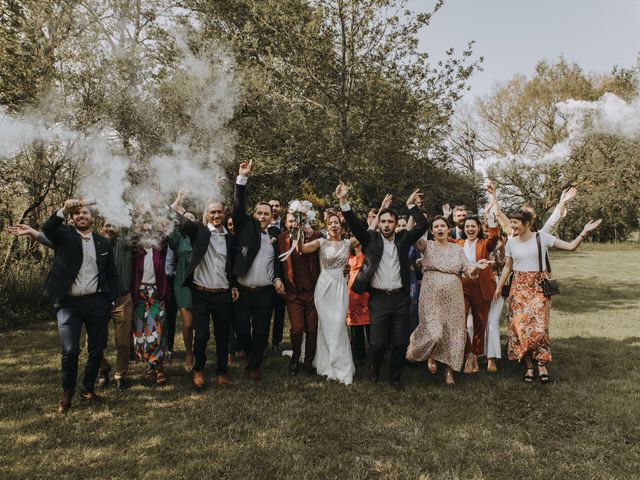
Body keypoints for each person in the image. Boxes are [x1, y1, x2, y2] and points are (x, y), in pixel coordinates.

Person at [494, 209, 601, 383]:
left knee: (539, 329)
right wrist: (499, 287)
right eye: (511, 222)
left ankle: (542, 363)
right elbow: (507, 267)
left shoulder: (541, 237)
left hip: (538, 288)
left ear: (527, 223)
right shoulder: (510, 243)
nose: (512, 225)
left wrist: (584, 232)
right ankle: (529, 365)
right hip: (518, 290)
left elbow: (571, 247)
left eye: (515, 222)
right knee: (520, 329)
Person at [339, 183, 427, 391]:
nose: (386, 225)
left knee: (399, 342)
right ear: (379, 224)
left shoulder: (404, 238)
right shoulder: (371, 239)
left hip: (400, 299)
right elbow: (353, 221)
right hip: (378, 299)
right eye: (383, 221)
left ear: (396, 224)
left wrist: (410, 206)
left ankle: (395, 377)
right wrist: (343, 200)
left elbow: (423, 225)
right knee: (377, 343)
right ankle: (375, 369)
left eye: (390, 222)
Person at [42, 199, 118, 413]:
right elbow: (47, 228)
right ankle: (67, 392)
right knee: (70, 350)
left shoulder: (104, 243)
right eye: (77, 214)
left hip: (97, 302)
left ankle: (87, 389)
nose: (81, 216)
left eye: (85, 213)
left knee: (97, 348)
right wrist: (64, 209)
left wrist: (110, 299)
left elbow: (111, 274)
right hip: (69, 304)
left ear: (92, 217)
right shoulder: (64, 235)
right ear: (72, 218)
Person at [406, 216, 492, 385]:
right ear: (432, 231)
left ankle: (449, 370)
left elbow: (467, 270)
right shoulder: (427, 246)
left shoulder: (457, 249)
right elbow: (410, 236)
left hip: (454, 295)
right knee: (435, 330)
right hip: (431, 294)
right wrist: (412, 212)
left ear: (448, 229)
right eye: (436, 227)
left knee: (453, 332)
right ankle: (431, 353)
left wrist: (476, 266)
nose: (439, 229)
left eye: (442, 226)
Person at [171, 194, 238, 389]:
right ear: (207, 215)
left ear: (223, 214)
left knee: (223, 335)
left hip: (223, 293)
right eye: (213, 212)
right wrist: (173, 206)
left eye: (219, 212)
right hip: (201, 293)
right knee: (201, 336)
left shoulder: (229, 237)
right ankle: (198, 369)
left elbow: (231, 264)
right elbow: (181, 223)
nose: (216, 215)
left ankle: (222, 370)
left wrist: (233, 285)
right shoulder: (199, 231)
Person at [232, 160, 285, 381]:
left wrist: (278, 278)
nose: (262, 216)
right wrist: (242, 178)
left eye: (267, 214)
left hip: (265, 293)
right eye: (259, 213)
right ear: (254, 215)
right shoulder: (246, 229)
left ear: (272, 217)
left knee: (262, 332)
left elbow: (280, 262)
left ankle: (254, 365)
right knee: (243, 331)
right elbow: (238, 207)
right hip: (243, 292)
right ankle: (251, 354)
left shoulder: (275, 237)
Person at [298, 211, 358, 385]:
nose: (333, 225)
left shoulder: (348, 243)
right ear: (326, 227)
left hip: (340, 288)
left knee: (338, 324)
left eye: (336, 223)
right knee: (325, 326)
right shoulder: (321, 242)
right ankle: (325, 363)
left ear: (341, 227)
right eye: (330, 223)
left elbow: (366, 232)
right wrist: (299, 229)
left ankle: (341, 365)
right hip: (324, 288)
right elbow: (301, 248)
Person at [451, 214, 499, 374]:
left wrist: (492, 218)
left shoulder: (485, 244)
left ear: (478, 228)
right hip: (462, 286)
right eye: (467, 227)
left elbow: (494, 236)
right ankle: (468, 353)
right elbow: (439, 240)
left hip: (480, 286)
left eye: (473, 226)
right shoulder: (458, 243)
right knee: (460, 322)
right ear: (463, 229)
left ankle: (475, 357)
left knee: (480, 323)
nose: (470, 229)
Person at [277, 213, 322, 375]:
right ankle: (295, 358)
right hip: (293, 293)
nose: (294, 224)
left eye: (297, 220)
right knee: (297, 329)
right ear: (285, 222)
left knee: (312, 329)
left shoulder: (315, 236)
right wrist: (277, 278)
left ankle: (308, 362)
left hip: (312, 292)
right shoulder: (281, 238)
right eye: (290, 221)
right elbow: (277, 262)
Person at [130, 222, 170, 386]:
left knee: (156, 330)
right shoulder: (134, 251)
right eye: (144, 230)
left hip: (155, 293)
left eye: (149, 229)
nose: (147, 232)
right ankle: (149, 366)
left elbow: (166, 228)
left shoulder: (160, 250)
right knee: (140, 332)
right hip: (139, 294)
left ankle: (158, 366)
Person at [168, 212, 197, 373]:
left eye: (191, 217)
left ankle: (199, 350)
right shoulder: (177, 236)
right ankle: (189, 353)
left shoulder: (200, 234)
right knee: (188, 322)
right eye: (185, 217)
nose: (188, 219)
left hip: (199, 278)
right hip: (182, 281)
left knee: (200, 323)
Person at [347, 241, 370, 365]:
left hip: (367, 293)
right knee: (356, 326)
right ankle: (359, 355)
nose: (357, 244)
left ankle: (374, 353)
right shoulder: (348, 256)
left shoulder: (368, 255)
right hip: (352, 295)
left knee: (370, 324)